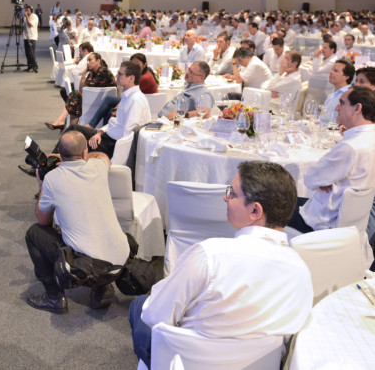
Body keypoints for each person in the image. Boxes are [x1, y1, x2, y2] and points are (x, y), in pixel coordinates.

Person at [130, 161, 313, 368]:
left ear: (255, 210)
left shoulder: (210, 256)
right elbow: (288, 338)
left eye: (232, 193)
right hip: (258, 364)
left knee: (139, 306)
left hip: (187, 362)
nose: (226, 198)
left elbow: (155, 315)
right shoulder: (301, 272)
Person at [24, 131, 129, 313]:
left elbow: (42, 220)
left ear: (61, 155)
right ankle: (102, 287)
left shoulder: (52, 179)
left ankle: (54, 297)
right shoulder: (98, 166)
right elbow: (103, 155)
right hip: (120, 261)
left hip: (89, 268)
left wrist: (42, 188)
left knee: (34, 234)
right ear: (84, 153)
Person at [287, 87, 375, 233]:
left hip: (322, 223)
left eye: (342, 103)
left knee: (272, 206)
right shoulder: (366, 139)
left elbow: (310, 178)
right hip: (353, 222)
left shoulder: (350, 147)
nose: (336, 107)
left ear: (357, 108)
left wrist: (324, 180)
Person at [85, 53, 158, 128]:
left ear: (144, 64)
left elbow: (129, 95)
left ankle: (95, 126)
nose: (134, 65)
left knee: (109, 105)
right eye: (132, 62)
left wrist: (118, 107)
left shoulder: (143, 79)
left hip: (144, 102)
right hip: (137, 100)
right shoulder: (143, 74)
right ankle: (100, 128)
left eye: (137, 63)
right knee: (109, 103)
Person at [45, 52, 115, 130]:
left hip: (103, 102)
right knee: (74, 97)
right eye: (87, 60)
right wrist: (84, 73)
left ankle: (66, 125)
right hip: (95, 100)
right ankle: (68, 126)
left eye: (90, 60)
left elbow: (85, 88)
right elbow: (82, 89)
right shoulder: (93, 73)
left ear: (98, 61)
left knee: (74, 97)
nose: (87, 63)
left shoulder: (103, 72)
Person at [23, 4, 39, 73]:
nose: (27, 11)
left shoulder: (34, 16)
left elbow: (30, 25)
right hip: (26, 37)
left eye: (28, 10)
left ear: (31, 11)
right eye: (26, 10)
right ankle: (29, 66)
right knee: (27, 53)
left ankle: (34, 66)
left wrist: (26, 17)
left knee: (31, 53)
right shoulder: (25, 17)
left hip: (32, 37)